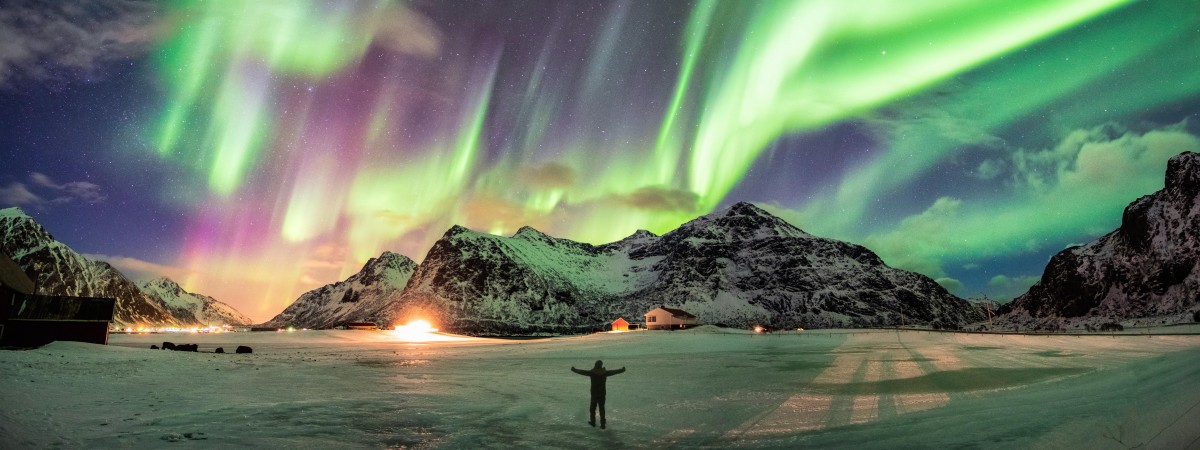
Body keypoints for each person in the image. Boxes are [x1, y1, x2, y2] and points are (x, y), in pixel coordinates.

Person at [571, 360, 625, 429]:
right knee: (602, 409)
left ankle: (593, 422)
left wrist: (574, 370)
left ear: (595, 365)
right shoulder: (605, 373)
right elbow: (614, 372)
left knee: (592, 409)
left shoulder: (592, 373)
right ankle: (603, 424)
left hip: (594, 394)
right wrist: (622, 370)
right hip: (602, 393)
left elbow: (582, 372)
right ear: (601, 365)